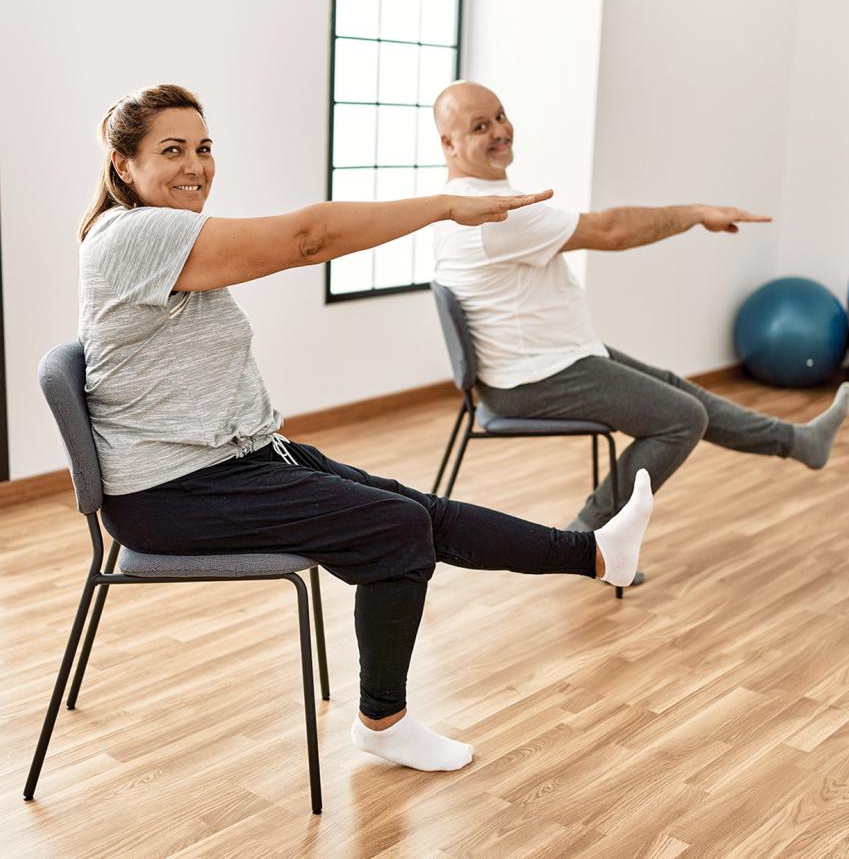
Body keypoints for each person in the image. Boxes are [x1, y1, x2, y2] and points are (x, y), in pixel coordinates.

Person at [78, 84, 654, 775]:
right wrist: (446, 204)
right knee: (397, 530)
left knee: (416, 510)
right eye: (171, 151)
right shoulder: (136, 235)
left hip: (234, 462)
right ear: (123, 166)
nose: (196, 166)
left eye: (203, 148)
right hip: (172, 493)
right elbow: (308, 238)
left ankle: (595, 554)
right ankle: (384, 722)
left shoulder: (168, 235)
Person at [431, 81, 849, 555]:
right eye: (480, 126)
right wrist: (695, 213)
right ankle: (588, 541)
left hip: (552, 358)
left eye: (501, 116)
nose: (501, 131)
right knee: (680, 418)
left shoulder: (470, 201)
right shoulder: (493, 216)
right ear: (449, 144)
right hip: (533, 377)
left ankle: (799, 442)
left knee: (676, 390)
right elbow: (611, 231)